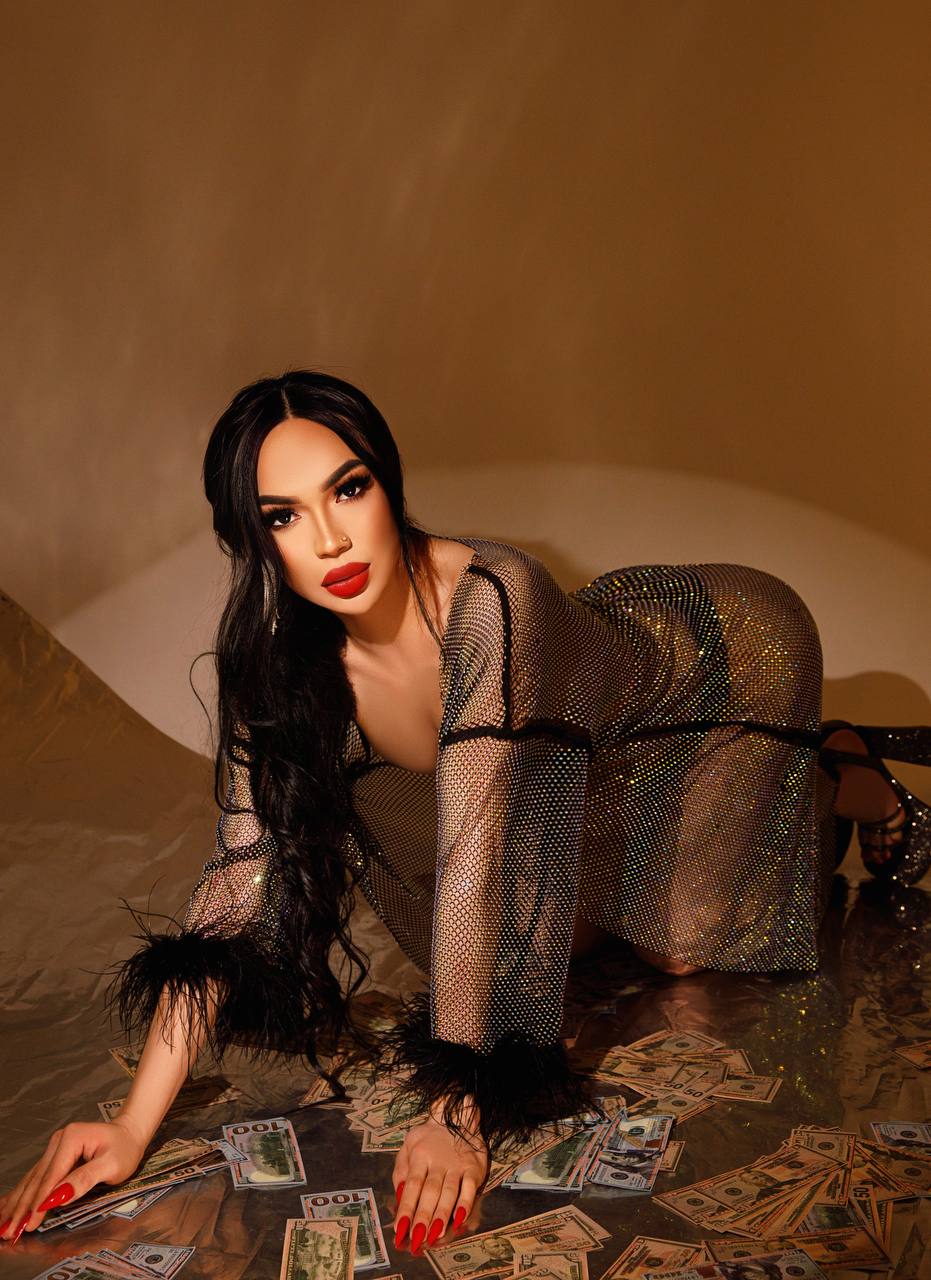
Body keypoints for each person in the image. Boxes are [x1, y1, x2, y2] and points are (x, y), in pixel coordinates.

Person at [2, 371, 928, 1252]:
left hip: (705, 692)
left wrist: (456, 1110)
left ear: (388, 482)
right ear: (252, 539)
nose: (329, 541)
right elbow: (237, 881)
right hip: (567, 783)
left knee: (682, 952)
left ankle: (832, 769)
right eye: (282, 516)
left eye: (348, 489)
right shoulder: (279, 666)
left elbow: (490, 852)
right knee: (560, 949)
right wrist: (132, 1127)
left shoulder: (493, 600)